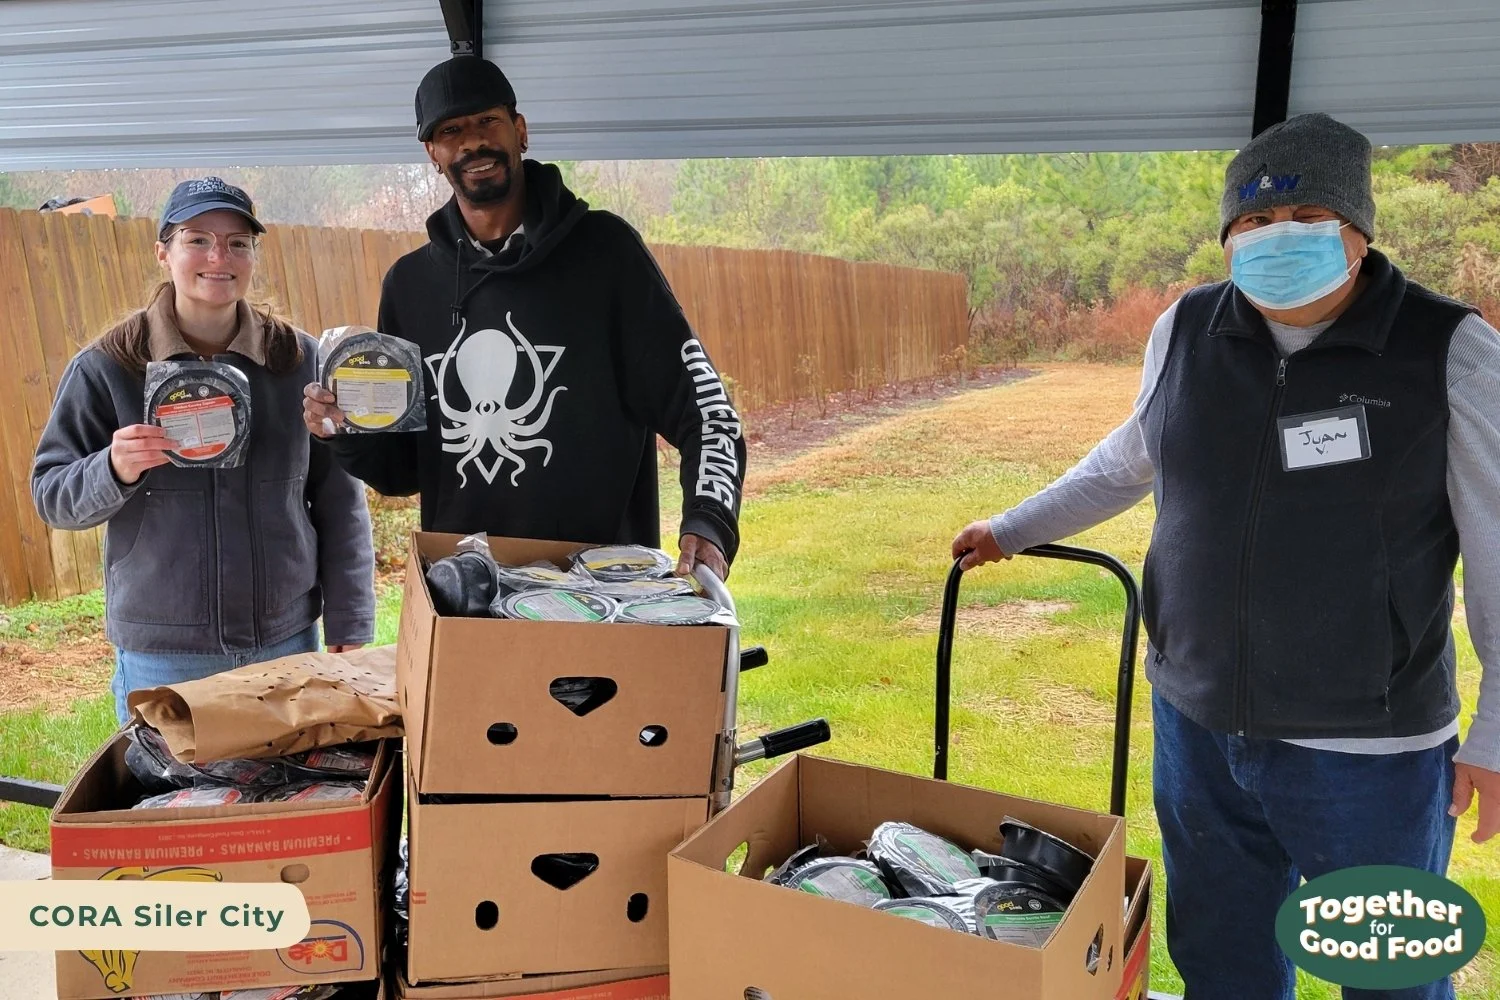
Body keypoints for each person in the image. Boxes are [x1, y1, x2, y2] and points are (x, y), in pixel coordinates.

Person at [952, 114, 1500, 999]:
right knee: (1222, 962)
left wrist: (1497, 732)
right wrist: (1011, 527)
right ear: (1227, 237)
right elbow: (1131, 456)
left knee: (1391, 978)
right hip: (1199, 729)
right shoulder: (1186, 329)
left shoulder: (1451, 351)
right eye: (1252, 222)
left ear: (1359, 232)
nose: (1276, 239)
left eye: (1307, 215)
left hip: (1369, 751)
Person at [302, 56, 744, 579]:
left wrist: (709, 522)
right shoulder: (410, 285)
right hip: (465, 589)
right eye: (451, 130)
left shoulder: (606, 253)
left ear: (520, 130)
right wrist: (344, 430)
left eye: (487, 121)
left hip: (599, 586)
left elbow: (706, 410)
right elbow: (406, 469)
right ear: (433, 154)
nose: (472, 142)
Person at [32, 177, 377, 723]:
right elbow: (51, 495)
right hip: (164, 656)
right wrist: (113, 468)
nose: (219, 256)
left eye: (238, 243)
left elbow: (339, 501)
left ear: (252, 257)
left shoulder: (300, 360)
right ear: (163, 251)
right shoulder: (106, 368)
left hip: (285, 643)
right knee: (173, 806)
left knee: (285, 801)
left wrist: (351, 620)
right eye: (197, 239)